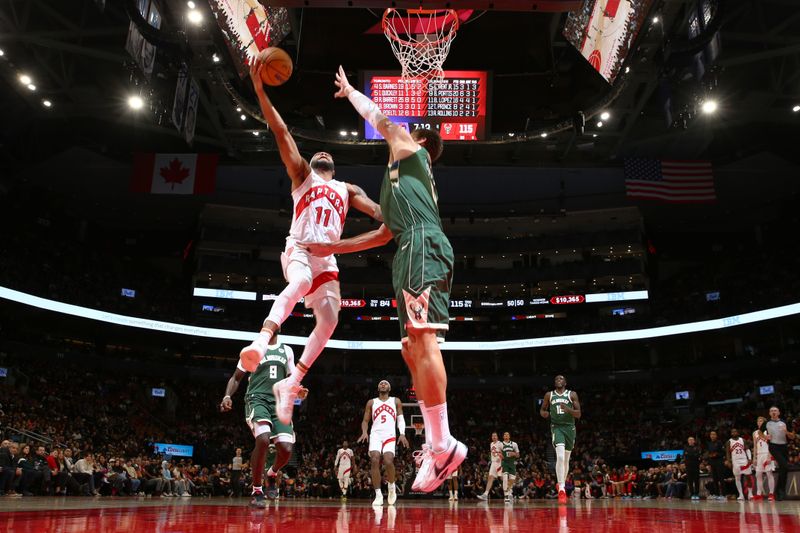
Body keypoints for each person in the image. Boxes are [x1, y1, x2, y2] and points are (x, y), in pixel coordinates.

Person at [301, 66, 466, 492]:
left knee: (422, 341)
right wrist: (330, 248)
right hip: (412, 249)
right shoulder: (402, 184)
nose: (400, 131)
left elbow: (382, 119)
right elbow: (381, 232)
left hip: (421, 248)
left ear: (421, 141)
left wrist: (353, 92)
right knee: (410, 345)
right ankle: (439, 441)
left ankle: (443, 443)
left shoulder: (412, 152)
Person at [238, 54, 383, 426]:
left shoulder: (347, 189)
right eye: (317, 151)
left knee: (332, 319)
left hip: (327, 259)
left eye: (326, 154)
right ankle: (261, 340)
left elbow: (380, 213)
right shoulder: (302, 174)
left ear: (334, 166)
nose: (321, 153)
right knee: (300, 281)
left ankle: (293, 381)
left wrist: (403, 208)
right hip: (300, 248)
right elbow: (282, 131)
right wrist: (259, 89)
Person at [221, 330, 307, 507]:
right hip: (257, 398)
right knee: (263, 439)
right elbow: (236, 378)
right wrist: (227, 396)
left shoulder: (287, 351)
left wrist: (299, 390)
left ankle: (272, 473)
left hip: (279, 403)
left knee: (285, 448)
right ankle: (257, 489)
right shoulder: (252, 350)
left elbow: (292, 379)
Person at [358, 380, 409, 506]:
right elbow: (365, 420)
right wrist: (364, 432)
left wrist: (402, 433)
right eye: (381, 383)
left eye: (385, 383)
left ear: (389, 388)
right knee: (374, 460)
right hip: (375, 435)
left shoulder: (395, 401)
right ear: (377, 388)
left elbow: (400, 418)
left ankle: (391, 486)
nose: (383, 384)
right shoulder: (371, 402)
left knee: (388, 461)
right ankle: (378, 495)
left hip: (389, 435)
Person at [540, 375, 581, 504]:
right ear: (554, 382)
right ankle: (561, 488)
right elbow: (542, 410)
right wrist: (544, 414)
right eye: (556, 379)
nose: (558, 380)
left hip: (570, 428)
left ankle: (561, 483)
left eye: (561, 378)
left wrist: (568, 409)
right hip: (557, 428)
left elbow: (578, 414)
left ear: (565, 382)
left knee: (566, 459)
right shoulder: (549, 395)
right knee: (561, 457)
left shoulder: (572, 394)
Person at [762, 406, 796, 500]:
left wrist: (786, 432)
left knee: (784, 469)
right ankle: (779, 491)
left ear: (779, 412)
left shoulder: (784, 422)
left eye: (775, 410)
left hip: (784, 446)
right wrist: (765, 437)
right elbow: (760, 432)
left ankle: (779, 492)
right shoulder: (766, 423)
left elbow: (792, 437)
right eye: (771, 411)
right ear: (769, 413)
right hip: (773, 446)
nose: (773, 412)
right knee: (784, 465)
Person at [752, 416, 776, 501]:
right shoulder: (755, 433)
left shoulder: (768, 431)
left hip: (767, 453)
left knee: (769, 473)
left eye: (761, 421)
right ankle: (759, 494)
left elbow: (772, 444)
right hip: (759, 455)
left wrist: (770, 455)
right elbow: (755, 446)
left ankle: (771, 494)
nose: (759, 422)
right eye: (758, 421)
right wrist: (754, 458)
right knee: (758, 475)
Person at [726, 427, 752, 501]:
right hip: (735, 461)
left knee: (748, 477)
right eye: (732, 432)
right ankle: (741, 495)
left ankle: (750, 494)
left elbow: (747, 449)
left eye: (735, 432)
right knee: (737, 478)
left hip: (744, 460)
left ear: (738, 433)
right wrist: (728, 461)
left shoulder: (742, 440)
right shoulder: (729, 442)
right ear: (731, 433)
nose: (734, 433)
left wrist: (749, 458)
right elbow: (728, 453)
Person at [477, 432, 504, 500]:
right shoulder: (491, 444)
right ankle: (485, 494)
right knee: (490, 478)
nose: (494, 437)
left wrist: (501, 458)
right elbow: (493, 454)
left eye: (495, 436)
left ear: (497, 437)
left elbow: (504, 452)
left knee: (502, 478)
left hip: (499, 463)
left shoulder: (500, 444)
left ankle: (509, 493)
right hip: (493, 463)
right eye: (493, 436)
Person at [500, 432, 519, 504]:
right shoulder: (501, 444)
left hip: (512, 463)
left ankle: (509, 491)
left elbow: (518, 455)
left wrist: (513, 453)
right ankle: (506, 495)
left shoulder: (514, 444)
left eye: (507, 434)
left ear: (509, 436)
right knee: (505, 478)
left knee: (512, 479)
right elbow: (498, 453)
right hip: (505, 463)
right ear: (503, 436)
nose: (506, 435)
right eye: (504, 434)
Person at [705, 431, 726, 500]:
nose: (712, 436)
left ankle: (723, 495)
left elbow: (723, 452)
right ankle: (716, 494)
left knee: (721, 478)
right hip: (712, 463)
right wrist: (709, 460)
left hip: (719, 462)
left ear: (716, 436)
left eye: (714, 434)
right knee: (715, 479)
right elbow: (708, 453)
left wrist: (717, 454)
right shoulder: (709, 444)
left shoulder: (719, 442)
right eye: (711, 434)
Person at [683, 436, 701, 500]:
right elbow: (685, 455)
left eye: (692, 440)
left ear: (694, 441)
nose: (690, 441)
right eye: (689, 440)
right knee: (690, 481)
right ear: (688, 441)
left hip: (696, 466)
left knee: (696, 480)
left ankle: (697, 493)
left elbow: (698, 455)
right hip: (688, 466)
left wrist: (690, 454)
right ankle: (692, 494)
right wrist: (693, 455)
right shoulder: (685, 447)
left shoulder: (697, 447)